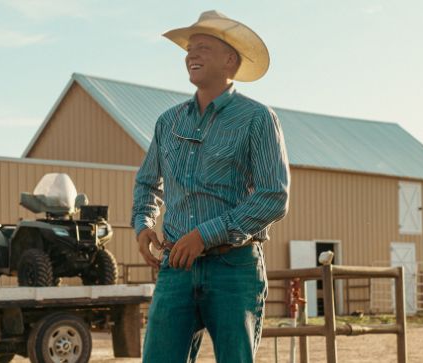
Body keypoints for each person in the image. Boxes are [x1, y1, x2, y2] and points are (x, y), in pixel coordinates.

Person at [132, 10, 290, 363]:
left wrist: (205, 235)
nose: (191, 54)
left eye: (203, 47)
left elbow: (274, 197)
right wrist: (142, 224)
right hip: (176, 269)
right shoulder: (167, 122)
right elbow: (146, 182)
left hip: (233, 268)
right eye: (189, 49)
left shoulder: (258, 119)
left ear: (230, 60)